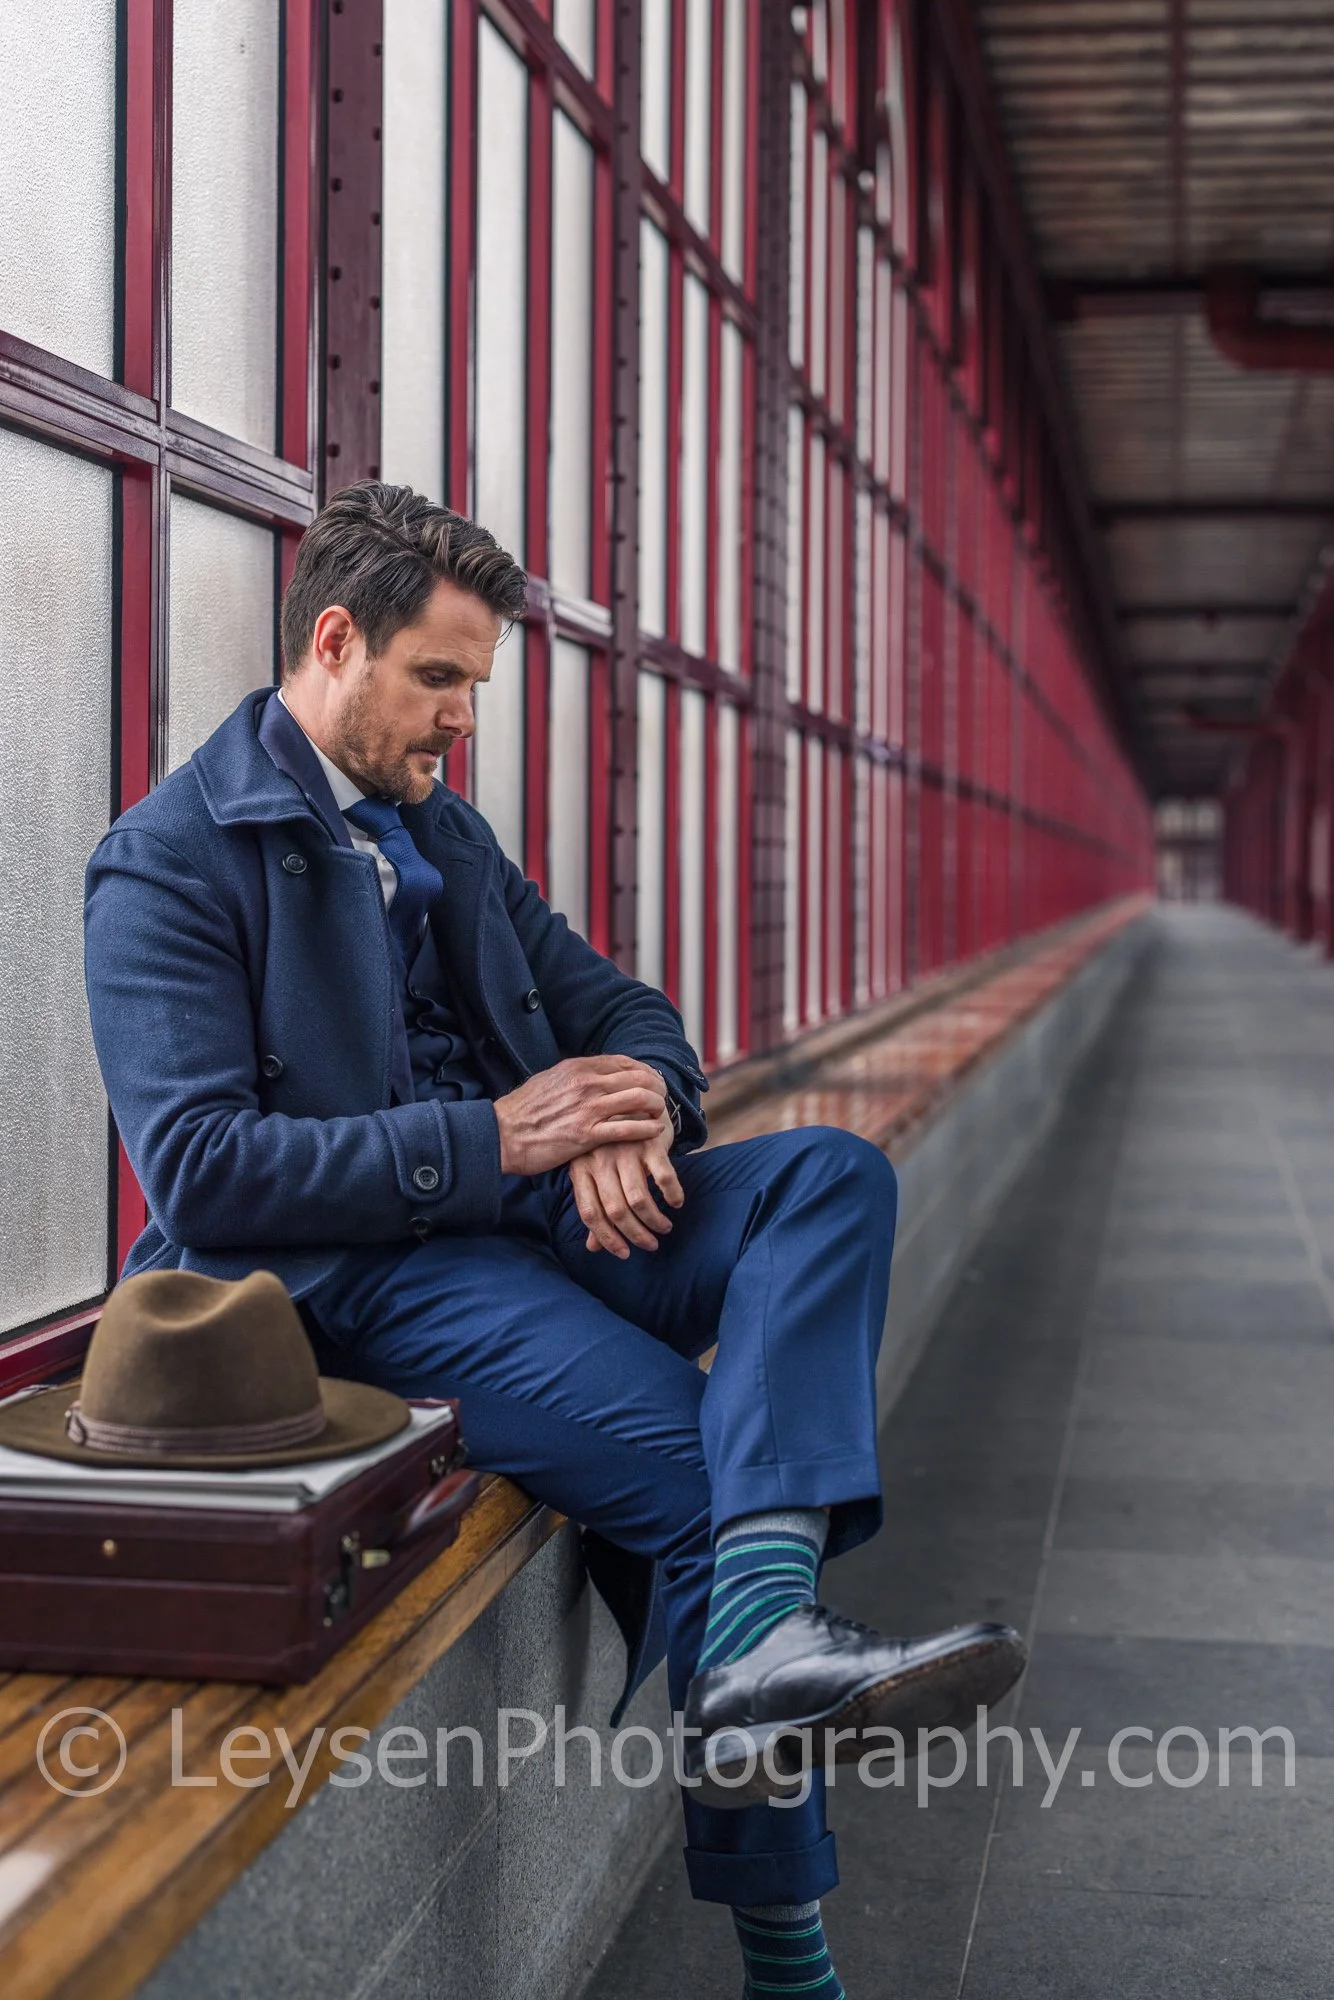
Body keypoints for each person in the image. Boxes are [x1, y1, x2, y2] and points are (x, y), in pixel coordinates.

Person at [84, 482, 1025, 1999]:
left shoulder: (439, 826)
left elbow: (624, 1010)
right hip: (371, 1281)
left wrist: (637, 1111)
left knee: (829, 1177)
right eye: (439, 678)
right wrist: (505, 1137)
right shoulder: (168, 862)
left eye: (475, 686)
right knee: (712, 1478)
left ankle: (766, 1634)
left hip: (547, 1220)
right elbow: (201, 1174)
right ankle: (790, 1955)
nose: (462, 719)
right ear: (336, 641)